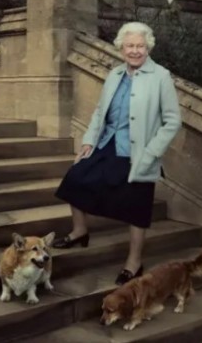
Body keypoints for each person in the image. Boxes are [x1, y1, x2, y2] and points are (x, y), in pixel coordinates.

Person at [52, 21, 182, 285]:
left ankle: (134, 262)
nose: (135, 51)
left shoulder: (161, 76)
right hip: (107, 142)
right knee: (75, 179)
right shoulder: (114, 74)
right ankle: (80, 231)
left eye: (140, 46)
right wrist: (88, 141)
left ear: (148, 48)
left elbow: (172, 121)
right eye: (130, 46)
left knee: (137, 205)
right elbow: (101, 111)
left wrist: (152, 153)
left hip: (138, 153)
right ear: (121, 48)